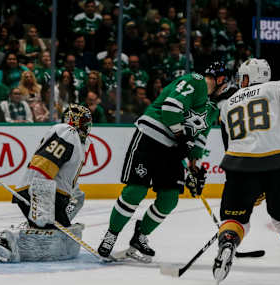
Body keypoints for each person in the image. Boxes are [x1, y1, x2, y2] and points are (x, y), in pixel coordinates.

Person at [97, 61, 228, 262]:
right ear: (219, 79)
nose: (225, 88)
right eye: (225, 83)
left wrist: (194, 168)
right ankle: (111, 234)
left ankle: (140, 236)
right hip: (151, 138)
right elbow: (170, 108)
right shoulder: (196, 81)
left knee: (169, 199)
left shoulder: (212, 108)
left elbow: (200, 138)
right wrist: (181, 135)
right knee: (135, 191)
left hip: (173, 149)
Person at [213, 58, 280, 285]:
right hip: (277, 164)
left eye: (243, 76)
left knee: (234, 219)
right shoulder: (277, 87)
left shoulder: (227, 104)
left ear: (250, 76)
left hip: (238, 166)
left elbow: (229, 144)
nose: (241, 81)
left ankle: (228, 244)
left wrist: (254, 188)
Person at [0, 104, 92, 262]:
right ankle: (7, 241)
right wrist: (42, 202)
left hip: (53, 196)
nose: (88, 127)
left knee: (61, 237)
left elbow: (64, 176)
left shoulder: (78, 142)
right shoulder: (67, 133)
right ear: (76, 122)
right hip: (42, 193)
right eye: (86, 123)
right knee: (51, 241)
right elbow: (44, 165)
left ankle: (30, 228)